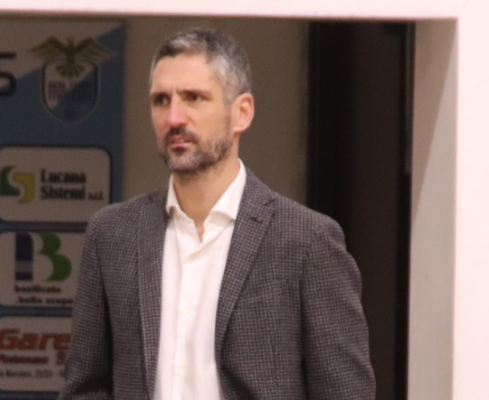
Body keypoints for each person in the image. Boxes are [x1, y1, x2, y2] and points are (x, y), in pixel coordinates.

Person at [58, 27, 375, 400]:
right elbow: (84, 387)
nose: (174, 117)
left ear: (242, 113)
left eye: (194, 98)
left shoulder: (307, 241)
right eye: (161, 100)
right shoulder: (112, 235)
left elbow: (345, 393)